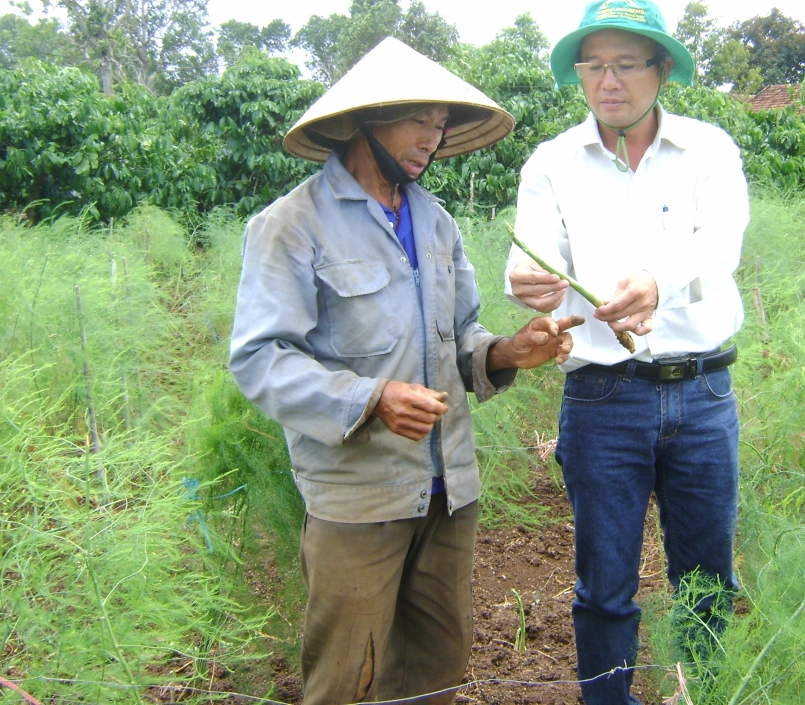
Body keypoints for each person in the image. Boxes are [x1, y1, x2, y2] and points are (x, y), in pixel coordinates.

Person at [229, 37, 581, 705]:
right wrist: (371, 399)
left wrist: (508, 351)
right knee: (347, 678)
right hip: (359, 499)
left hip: (449, 491)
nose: (434, 135)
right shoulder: (291, 226)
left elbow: (463, 330)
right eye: (419, 118)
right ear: (367, 119)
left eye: (442, 122)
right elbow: (260, 358)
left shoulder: (435, 221)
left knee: (433, 673)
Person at [505, 0, 749, 704]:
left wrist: (657, 282)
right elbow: (531, 259)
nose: (608, 81)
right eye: (593, 66)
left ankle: (698, 694)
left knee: (706, 579)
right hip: (603, 396)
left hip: (702, 392)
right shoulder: (552, 162)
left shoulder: (709, 149)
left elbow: (720, 242)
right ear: (579, 76)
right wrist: (530, 283)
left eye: (626, 65)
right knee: (604, 583)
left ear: (661, 69)